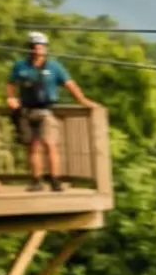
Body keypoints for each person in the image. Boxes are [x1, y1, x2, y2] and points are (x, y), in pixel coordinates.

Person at [5, 31, 96, 190]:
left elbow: (70, 84)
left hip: (46, 110)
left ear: (45, 48)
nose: (38, 49)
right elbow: (11, 83)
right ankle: (37, 180)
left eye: (41, 46)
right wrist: (11, 98)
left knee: (50, 144)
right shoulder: (20, 66)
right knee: (32, 147)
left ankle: (54, 179)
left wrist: (82, 100)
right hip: (26, 110)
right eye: (34, 46)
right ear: (29, 48)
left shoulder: (54, 67)